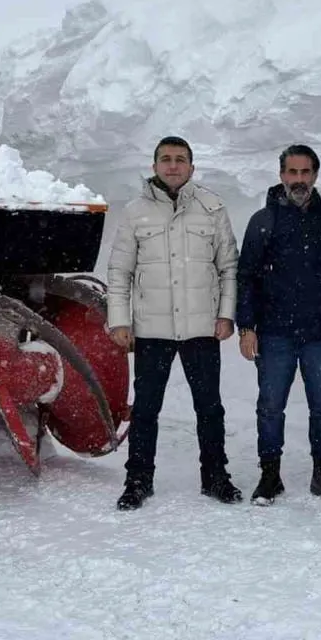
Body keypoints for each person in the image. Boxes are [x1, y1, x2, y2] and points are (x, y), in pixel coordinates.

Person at [105, 135, 244, 510]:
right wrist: (119, 321)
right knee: (146, 410)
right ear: (154, 166)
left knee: (209, 408)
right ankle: (138, 480)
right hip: (152, 330)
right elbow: (119, 272)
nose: (173, 165)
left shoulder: (212, 208)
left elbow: (229, 268)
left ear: (191, 167)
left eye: (180, 159)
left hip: (202, 328)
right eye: (165, 159)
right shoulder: (135, 212)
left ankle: (215, 477)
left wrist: (226, 314)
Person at [235, 144, 321, 506]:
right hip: (274, 334)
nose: (299, 179)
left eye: (305, 172)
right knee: (270, 407)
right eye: (292, 172)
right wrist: (246, 327)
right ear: (281, 175)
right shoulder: (263, 221)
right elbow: (246, 276)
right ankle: (270, 475)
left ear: (315, 175)